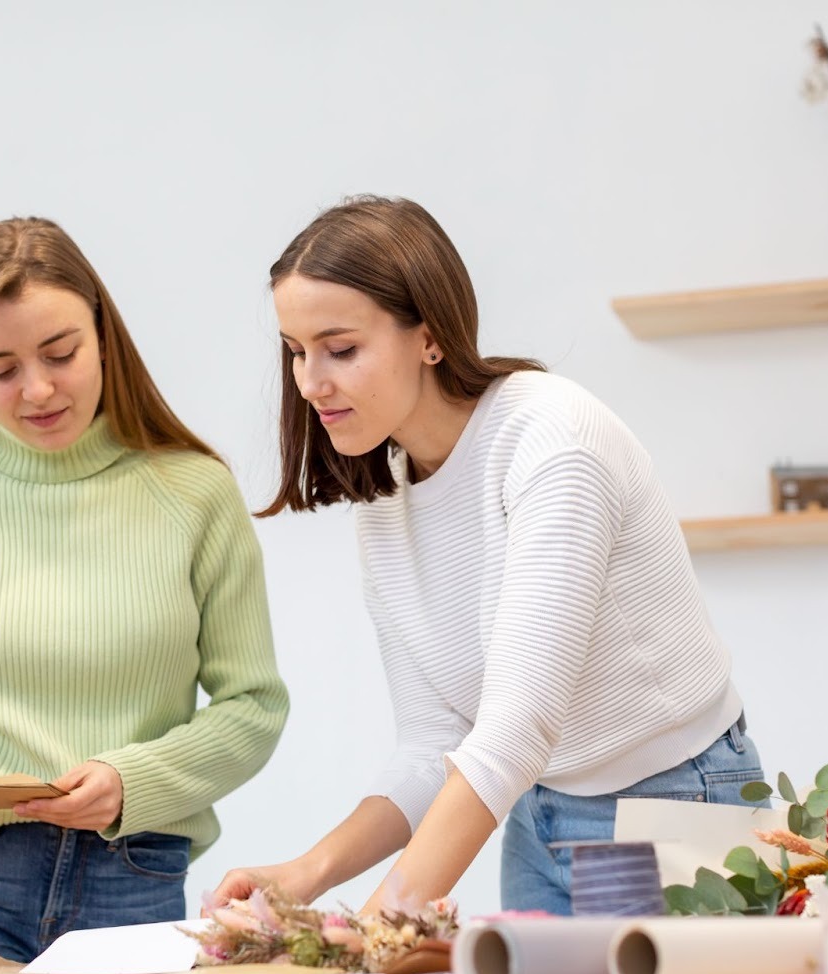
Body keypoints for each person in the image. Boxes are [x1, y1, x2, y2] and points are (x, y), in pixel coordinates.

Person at [211, 196, 764, 917]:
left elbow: (513, 729)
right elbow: (434, 744)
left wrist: (380, 922)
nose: (310, 382)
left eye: (340, 348)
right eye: (295, 351)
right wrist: (307, 875)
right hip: (540, 812)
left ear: (431, 338)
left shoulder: (552, 441)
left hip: (667, 804)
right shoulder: (388, 493)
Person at [0, 216, 288, 961]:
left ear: (102, 333)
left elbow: (254, 709)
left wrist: (130, 780)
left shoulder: (195, 495)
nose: (37, 389)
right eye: (1, 367)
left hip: (132, 878)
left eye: (60, 353)